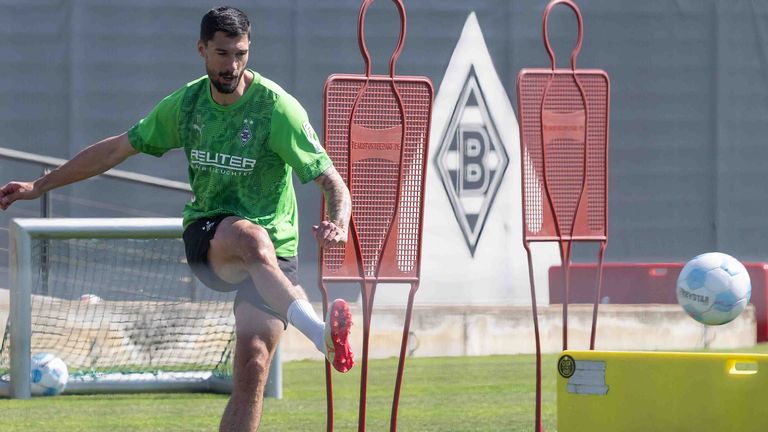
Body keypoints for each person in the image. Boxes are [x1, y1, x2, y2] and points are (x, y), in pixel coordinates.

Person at [0, 6, 353, 431]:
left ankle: (319, 337)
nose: (232, 65)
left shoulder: (277, 109)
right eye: (222, 54)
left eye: (241, 53)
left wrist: (337, 221)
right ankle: (321, 336)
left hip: (276, 256)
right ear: (202, 50)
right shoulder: (186, 106)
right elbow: (114, 149)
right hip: (210, 236)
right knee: (250, 238)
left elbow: (334, 182)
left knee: (254, 367)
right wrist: (40, 186)